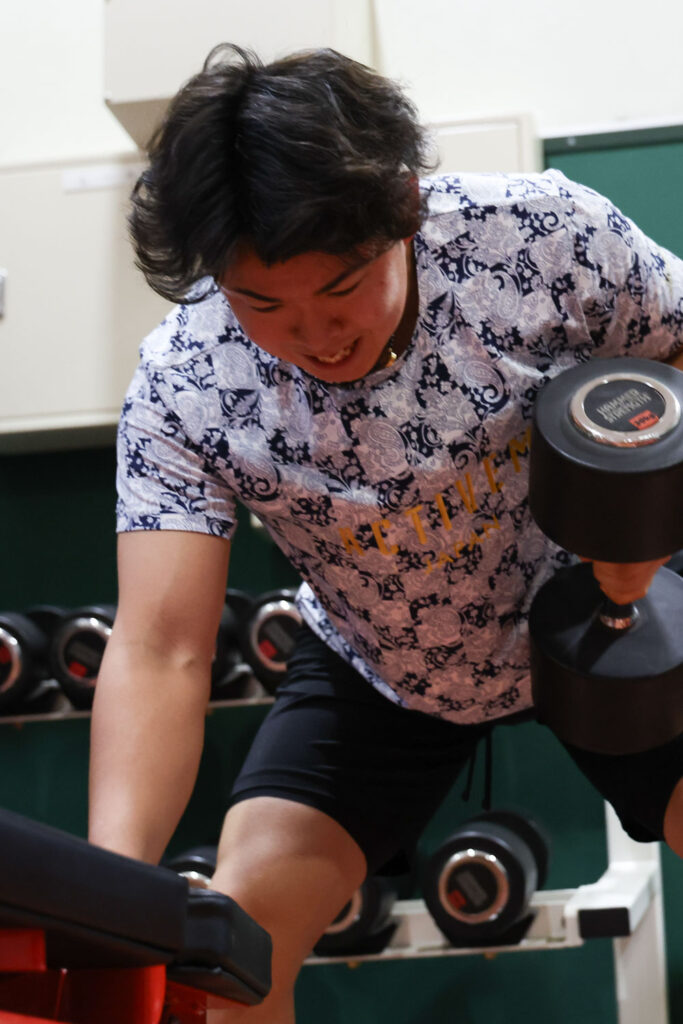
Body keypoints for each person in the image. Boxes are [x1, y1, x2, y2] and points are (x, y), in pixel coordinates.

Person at [88, 43, 683, 1022]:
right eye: (262, 303)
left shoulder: (538, 236)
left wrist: (646, 522)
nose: (314, 334)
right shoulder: (184, 381)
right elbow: (160, 646)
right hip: (383, 668)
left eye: (340, 287)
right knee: (229, 959)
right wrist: (107, 884)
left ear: (402, 206)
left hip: (611, 613)